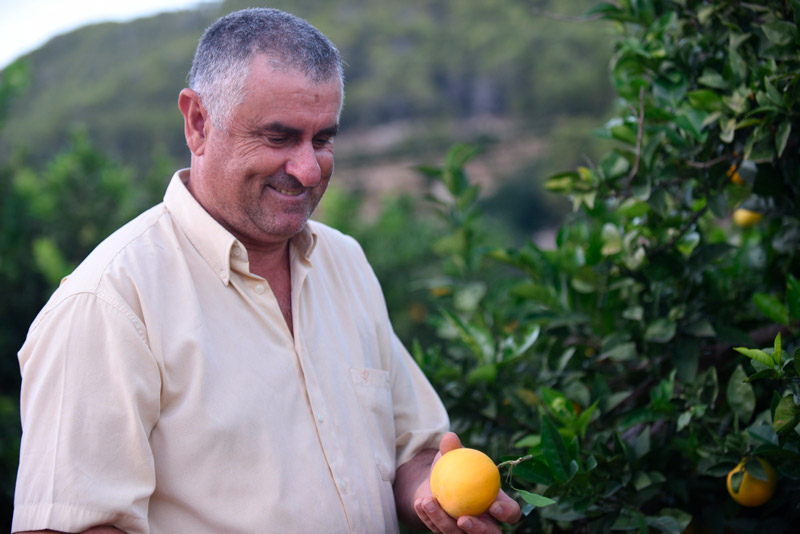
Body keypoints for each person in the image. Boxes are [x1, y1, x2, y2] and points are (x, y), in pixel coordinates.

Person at [13, 8, 521, 534]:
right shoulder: (109, 303)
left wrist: (433, 494)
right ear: (198, 123)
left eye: (323, 140)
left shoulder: (345, 261)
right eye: (279, 138)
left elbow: (408, 452)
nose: (307, 169)